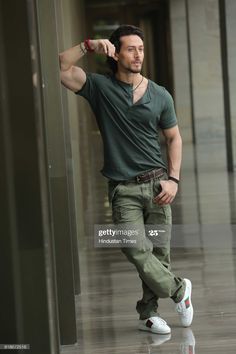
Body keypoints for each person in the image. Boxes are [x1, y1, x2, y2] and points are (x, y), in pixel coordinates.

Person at [59, 24, 193, 334]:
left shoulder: (160, 95)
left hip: (159, 185)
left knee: (159, 253)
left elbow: (174, 138)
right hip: (123, 190)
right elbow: (60, 68)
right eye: (131, 48)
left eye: (141, 49)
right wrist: (88, 45)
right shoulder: (99, 88)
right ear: (116, 52)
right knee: (135, 248)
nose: (137, 55)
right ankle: (178, 291)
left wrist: (173, 179)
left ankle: (148, 314)